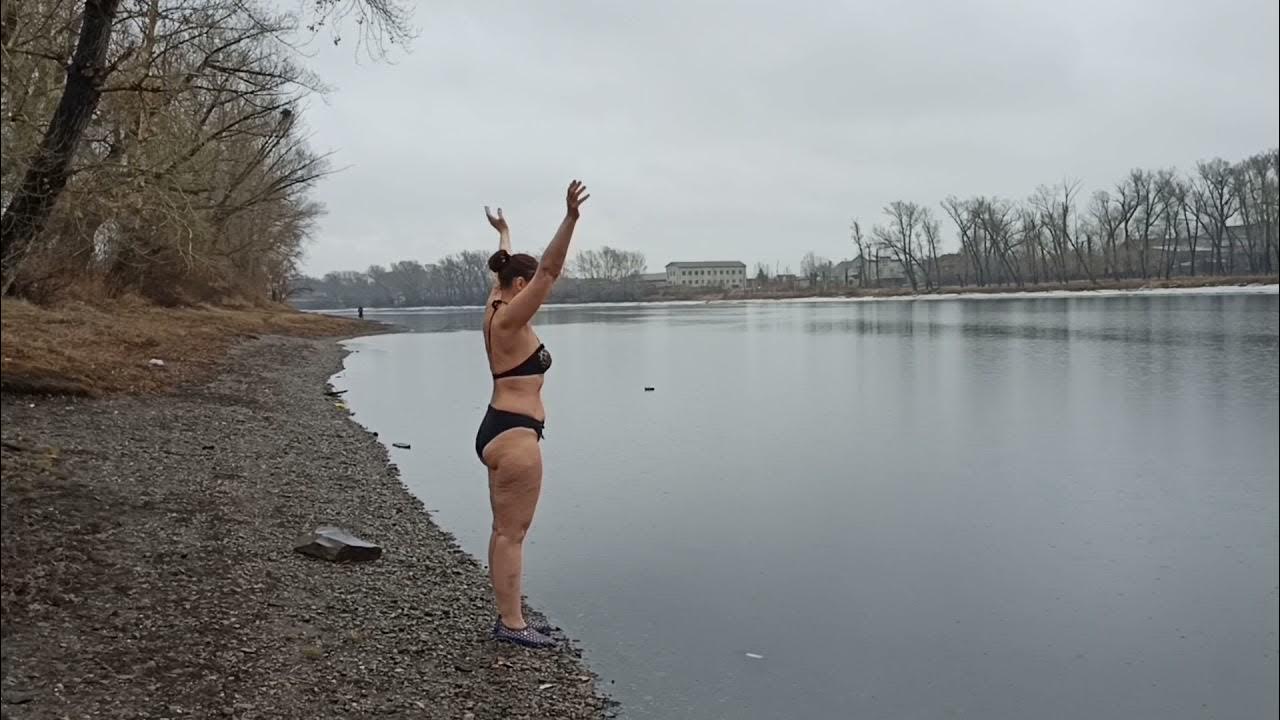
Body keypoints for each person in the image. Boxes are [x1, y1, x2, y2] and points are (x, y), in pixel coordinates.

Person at [475, 180, 589, 648]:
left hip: (497, 428)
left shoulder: (494, 303)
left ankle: (508, 615)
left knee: (503, 530)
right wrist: (570, 219)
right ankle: (512, 624)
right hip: (516, 439)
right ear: (518, 287)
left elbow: (506, 268)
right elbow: (547, 271)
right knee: (513, 534)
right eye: (527, 288)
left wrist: (504, 233)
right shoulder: (509, 318)